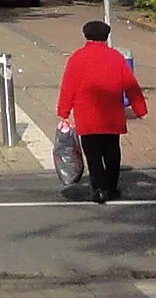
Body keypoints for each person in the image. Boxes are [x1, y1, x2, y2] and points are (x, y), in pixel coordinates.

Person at [57, 19, 144, 205]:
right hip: (112, 115)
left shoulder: (77, 58)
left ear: (86, 35)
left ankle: (99, 188)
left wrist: (63, 111)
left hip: (87, 116)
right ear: (106, 36)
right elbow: (130, 84)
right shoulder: (116, 57)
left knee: (93, 155)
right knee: (112, 152)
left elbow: (68, 86)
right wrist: (140, 108)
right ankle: (111, 187)